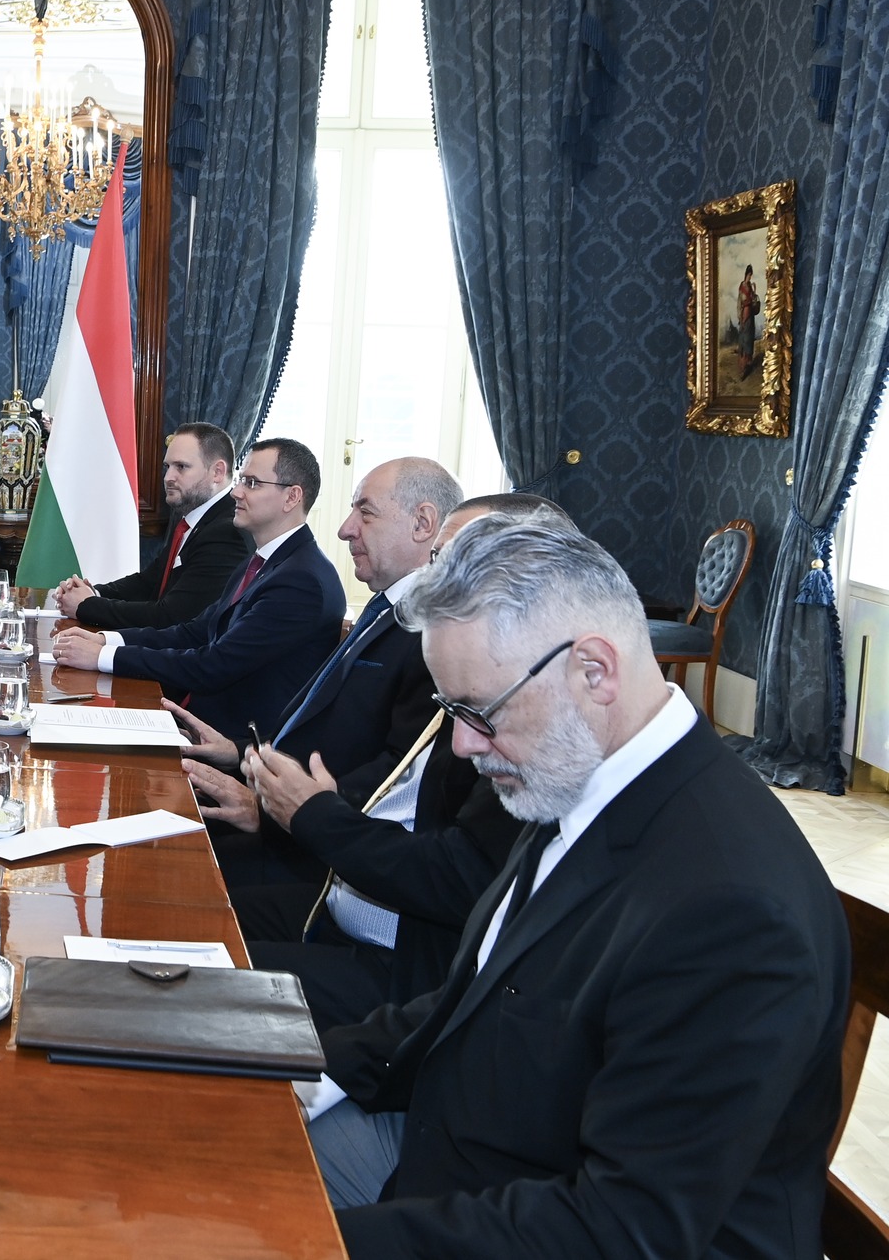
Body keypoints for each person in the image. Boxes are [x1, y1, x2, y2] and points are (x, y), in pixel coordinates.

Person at [304, 512, 848, 1257]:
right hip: (460, 1158)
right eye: (450, 710)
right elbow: (477, 999)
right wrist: (298, 1068)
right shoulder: (581, 769)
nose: (462, 744)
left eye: (477, 711)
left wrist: (305, 1243)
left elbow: (621, 1230)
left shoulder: (732, 910)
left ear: (594, 671)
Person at [230, 495, 562, 1030]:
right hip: (337, 900)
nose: (434, 582)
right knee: (185, 921)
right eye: (437, 562)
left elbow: (458, 875)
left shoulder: (536, 721)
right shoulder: (468, 676)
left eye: (457, 564)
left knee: (198, 976)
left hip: (403, 968)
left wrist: (314, 814)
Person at [175, 457, 461, 900]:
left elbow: (399, 772)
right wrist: (238, 750)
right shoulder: (388, 606)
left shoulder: (435, 633)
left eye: (365, 512)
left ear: (422, 524)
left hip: (322, 854)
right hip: (281, 807)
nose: (345, 529)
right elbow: (322, 724)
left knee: (177, 884)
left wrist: (271, 809)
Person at [49, 438, 343, 740]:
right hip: (199, 721)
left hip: (234, 743)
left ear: (292, 497)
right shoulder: (263, 561)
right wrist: (105, 640)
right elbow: (193, 632)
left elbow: (214, 665)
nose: (237, 492)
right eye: (241, 480)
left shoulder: (302, 581)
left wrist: (103, 657)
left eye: (252, 483)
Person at [51, 423, 250, 630]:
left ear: (217, 472)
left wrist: (88, 605)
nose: (168, 477)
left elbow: (172, 616)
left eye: (181, 467)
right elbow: (148, 582)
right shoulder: (194, 519)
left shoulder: (226, 533)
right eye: (167, 466)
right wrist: (92, 592)